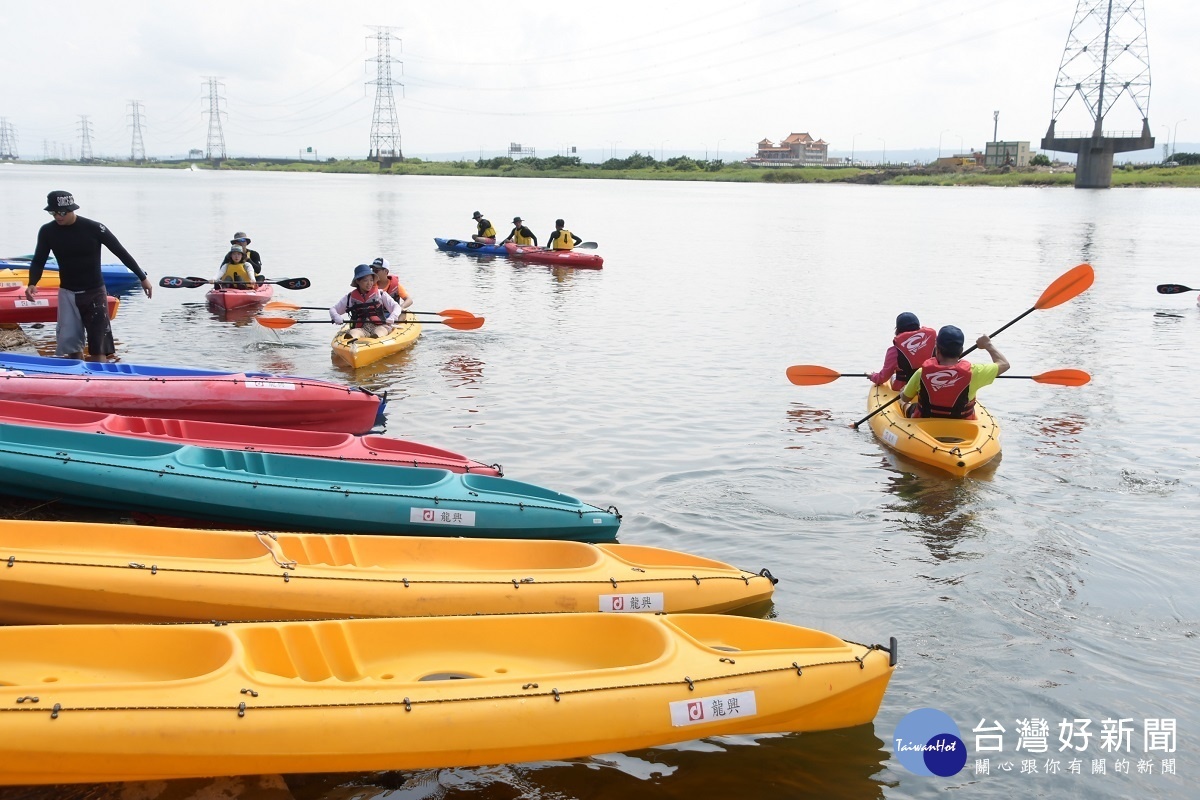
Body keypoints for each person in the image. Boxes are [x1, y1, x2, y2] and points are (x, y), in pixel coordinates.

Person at [25, 190, 153, 360]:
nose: (57, 216)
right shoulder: (48, 231)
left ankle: (100, 379)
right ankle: (75, 378)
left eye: (62, 212)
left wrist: (142, 277)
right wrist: (32, 282)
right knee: (71, 346)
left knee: (99, 346)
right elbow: (39, 259)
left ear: (72, 210)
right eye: (53, 212)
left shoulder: (94, 228)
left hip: (94, 292)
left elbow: (120, 252)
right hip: (67, 293)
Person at [900, 325, 1010, 419]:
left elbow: (906, 397)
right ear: (961, 350)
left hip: (925, 422)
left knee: (904, 403)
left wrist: (903, 391)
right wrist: (988, 345)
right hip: (962, 424)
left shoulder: (922, 372)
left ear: (937, 349)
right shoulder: (975, 372)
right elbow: (1004, 364)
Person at [329, 263, 402, 340]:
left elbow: (396, 307)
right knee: (353, 334)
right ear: (358, 281)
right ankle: (354, 346)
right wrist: (336, 317)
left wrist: (392, 317)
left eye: (371, 280)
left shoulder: (380, 294)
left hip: (380, 327)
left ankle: (374, 343)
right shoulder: (350, 297)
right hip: (361, 329)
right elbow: (333, 309)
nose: (369, 283)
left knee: (378, 333)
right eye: (365, 280)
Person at [870, 312, 937, 391]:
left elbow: (882, 378)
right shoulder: (935, 343)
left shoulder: (894, 351)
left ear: (897, 330)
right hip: (928, 386)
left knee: (892, 376)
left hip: (903, 389)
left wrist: (872, 376)